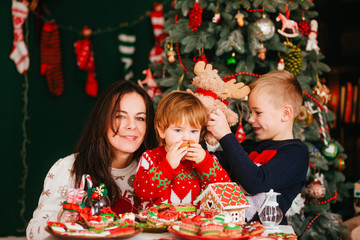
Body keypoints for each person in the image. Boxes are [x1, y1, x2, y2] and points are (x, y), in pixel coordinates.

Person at [26, 80, 157, 239]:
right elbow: (34, 233)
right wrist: (65, 215)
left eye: (140, 118)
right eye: (120, 116)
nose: (132, 126)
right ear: (103, 120)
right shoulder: (68, 169)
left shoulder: (152, 172)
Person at [206, 70, 309, 224]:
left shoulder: (295, 153)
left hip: (266, 235)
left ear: (286, 113)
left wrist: (226, 136)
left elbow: (256, 183)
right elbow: (210, 161)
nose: (250, 118)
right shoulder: (249, 147)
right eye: (250, 111)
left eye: (258, 112)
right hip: (232, 231)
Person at [134, 91, 230, 210]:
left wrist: (204, 162)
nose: (187, 137)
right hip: (159, 225)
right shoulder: (150, 158)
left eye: (193, 131)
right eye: (178, 130)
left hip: (195, 225)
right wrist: (167, 166)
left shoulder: (205, 160)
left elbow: (225, 191)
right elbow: (143, 194)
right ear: (162, 130)